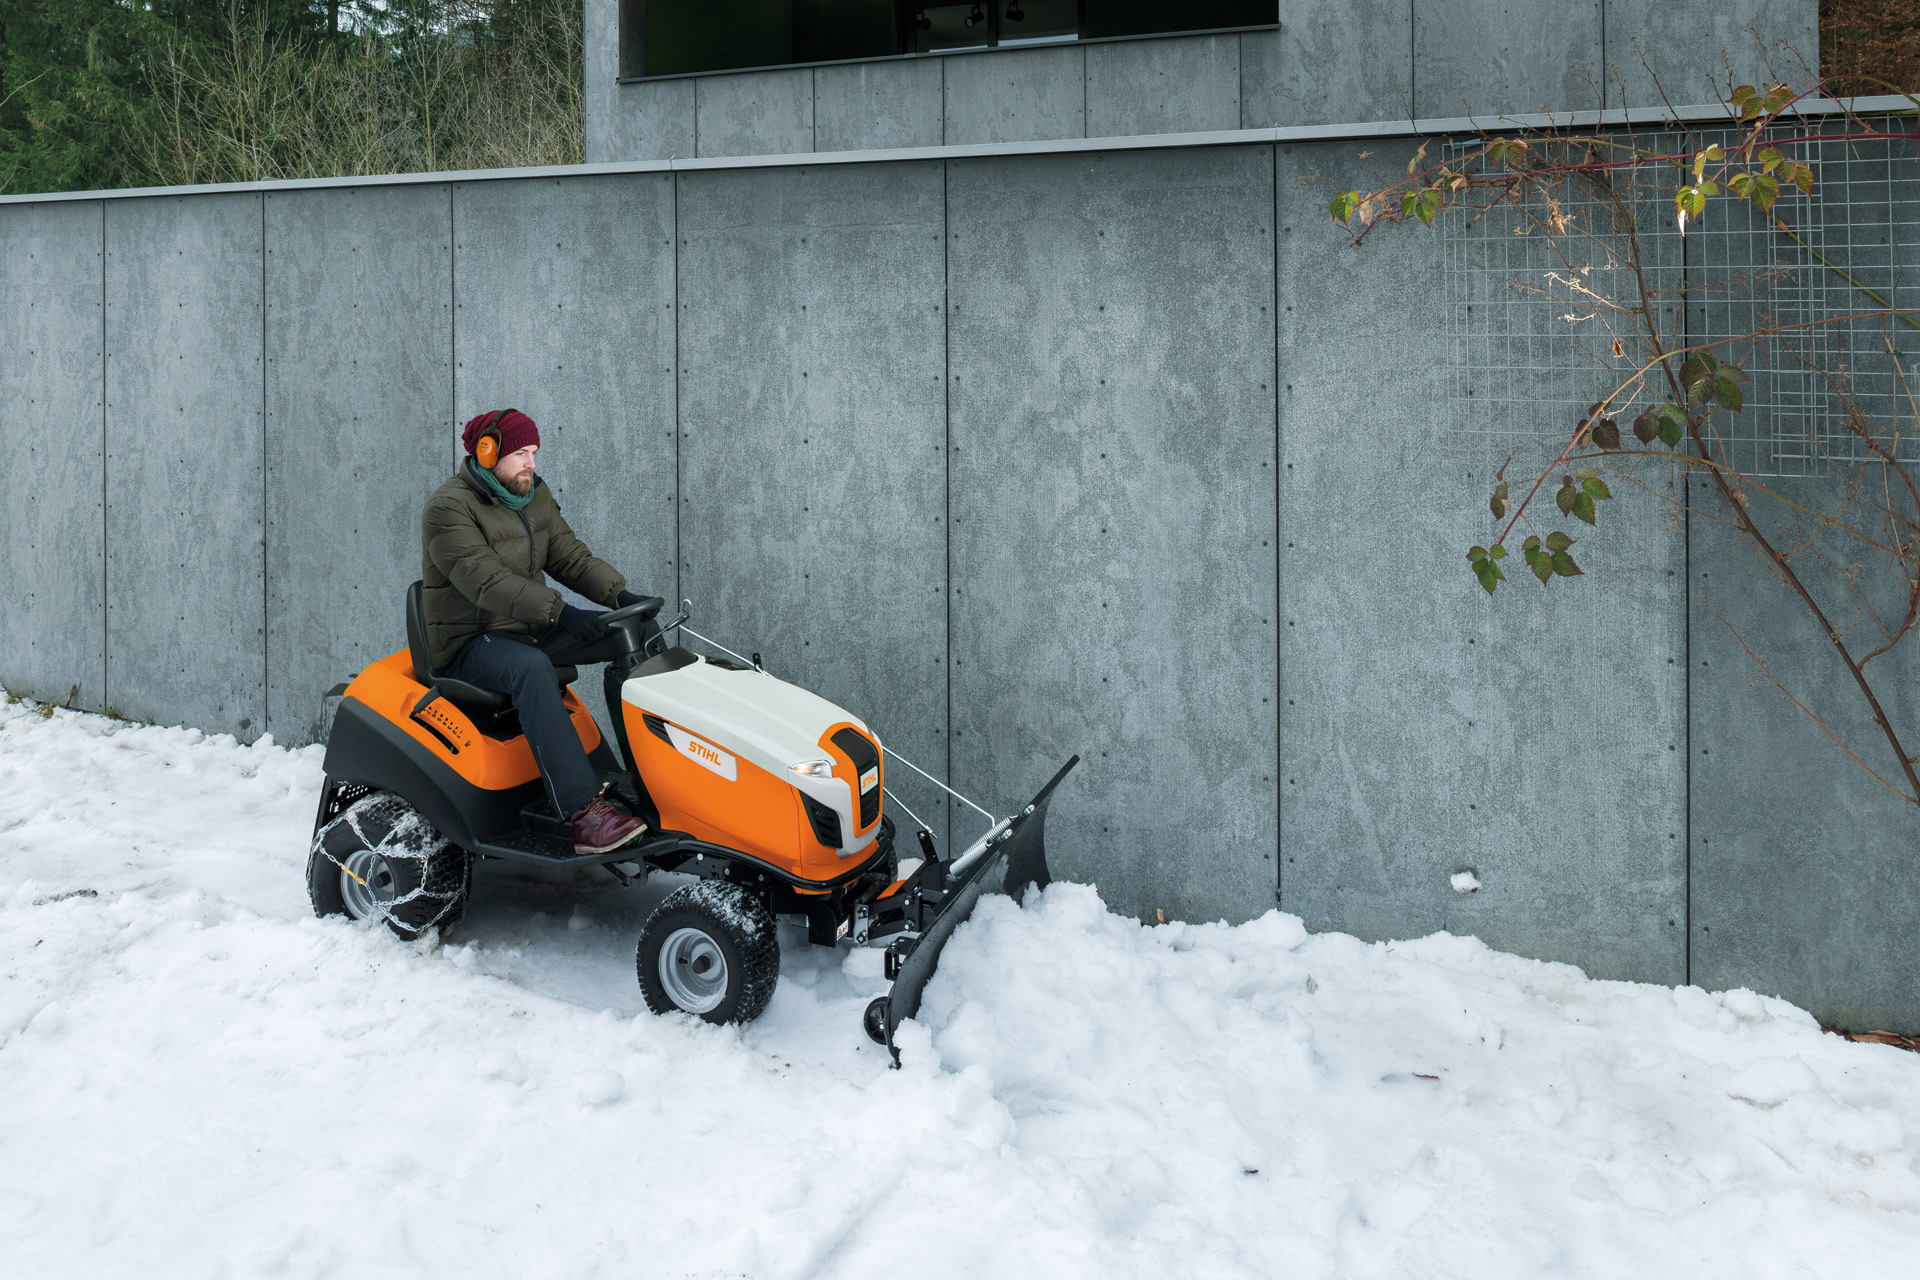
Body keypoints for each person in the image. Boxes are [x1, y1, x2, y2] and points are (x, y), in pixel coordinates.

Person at [421, 408, 649, 854]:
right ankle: (584, 814)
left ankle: (653, 776)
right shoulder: (447, 509)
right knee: (531, 667)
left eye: (535, 453)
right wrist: (562, 614)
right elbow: (485, 581)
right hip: (471, 640)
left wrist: (619, 597)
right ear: (487, 454)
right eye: (521, 453)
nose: (531, 463)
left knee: (637, 631)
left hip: (530, 624)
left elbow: (568, 557)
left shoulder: (531, 495)